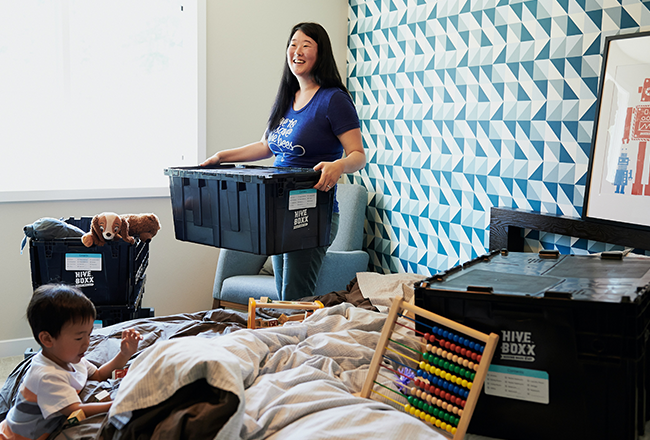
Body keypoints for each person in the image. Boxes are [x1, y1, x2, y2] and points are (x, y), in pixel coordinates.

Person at [201, 22, 366, 300]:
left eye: (306, 45)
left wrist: (338, 166)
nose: (296, 51)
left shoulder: (333, 100)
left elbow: (358, 155)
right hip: (278, 211)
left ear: (320, 53)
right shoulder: (288, 98)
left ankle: (301, 342)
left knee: (295, 297)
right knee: (283, 296)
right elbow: (266, 146)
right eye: (292, 44)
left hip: (312, 212)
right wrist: (221, 156)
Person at [0, 284, 142, 440]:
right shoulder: (47, 376)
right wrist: (118, 403)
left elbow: (99, 374)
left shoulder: (70, 357)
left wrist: (124, 354)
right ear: (47, 339)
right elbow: (76, 410)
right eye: (79, 338)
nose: (87, 343)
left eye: (89, 334)